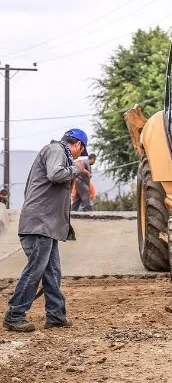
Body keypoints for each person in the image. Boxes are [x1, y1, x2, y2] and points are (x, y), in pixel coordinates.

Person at [3, 128, 88, 332]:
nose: (79, 157)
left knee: (52, 272)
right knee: (35, 271)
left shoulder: (56, 152)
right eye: (80, 152)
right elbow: (56, 174)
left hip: (46, 226)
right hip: (39, 225)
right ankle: (14, 315)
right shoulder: (56, 149)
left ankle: (56, 316)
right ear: (78, 145)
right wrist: (76, 168)